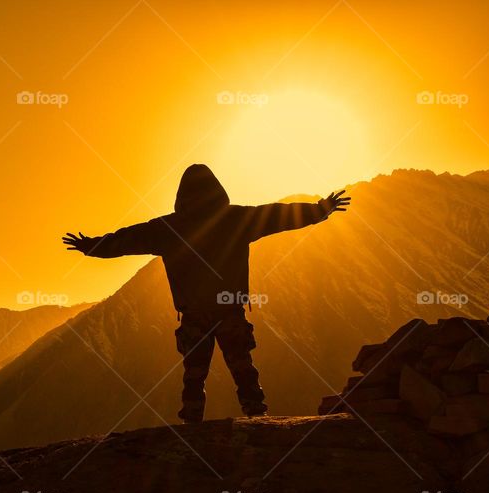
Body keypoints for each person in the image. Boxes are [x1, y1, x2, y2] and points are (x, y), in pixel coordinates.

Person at [63, 164, 350, 422]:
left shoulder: (169, 229)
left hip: (194, 311)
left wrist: (92, 246)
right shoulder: (236, 219)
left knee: (194, 372)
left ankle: (193, 418)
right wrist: (319, 209)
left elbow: (127, 240)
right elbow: (278, 216)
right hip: (229, 308)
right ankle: (256, 414)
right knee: (242, 364)